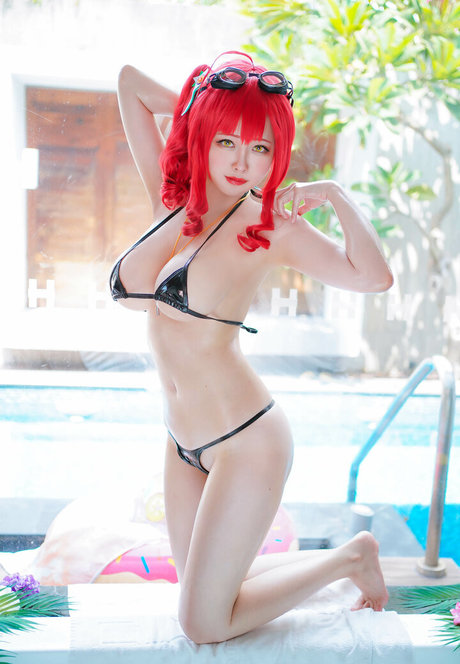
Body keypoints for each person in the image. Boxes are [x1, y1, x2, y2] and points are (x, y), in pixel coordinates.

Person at [110, 51, 393, 644]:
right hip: (182, 439)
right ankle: (351, 555)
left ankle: (348, 559)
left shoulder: (270, 225)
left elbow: (373, 278)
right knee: (206, 590)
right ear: (204, 137)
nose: (242, 162)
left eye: (260, 147)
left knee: (203, 622)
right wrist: (206, 107)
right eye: (227, 142)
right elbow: (130, 83)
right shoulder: (175, 201)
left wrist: (333, 195)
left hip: (246, 442)